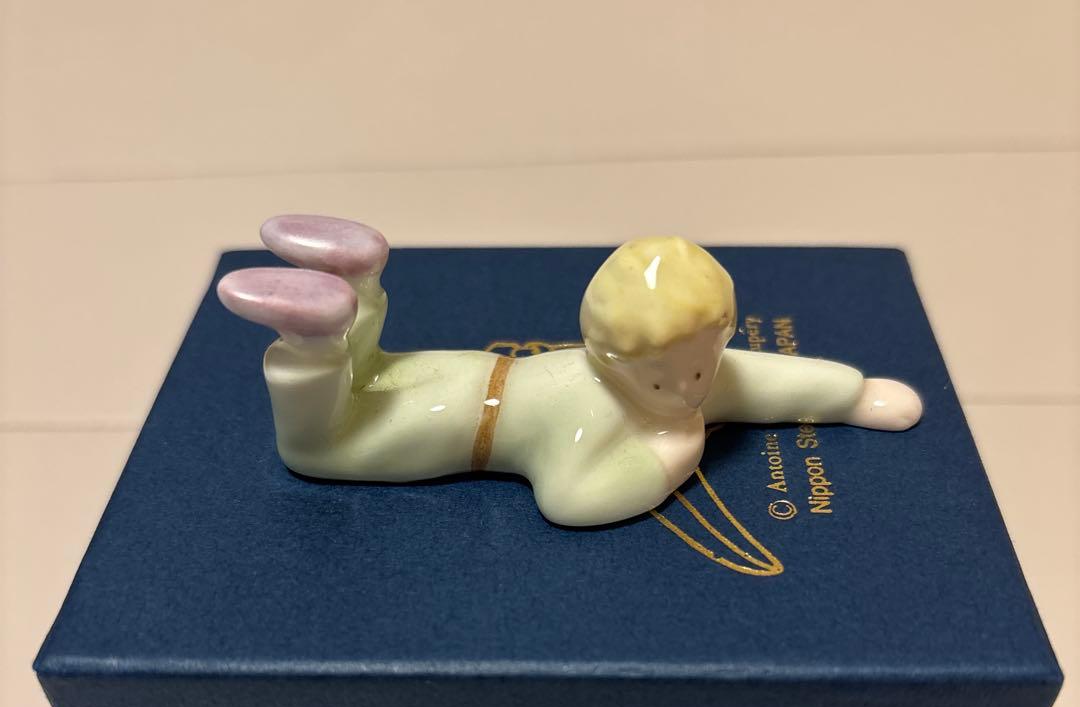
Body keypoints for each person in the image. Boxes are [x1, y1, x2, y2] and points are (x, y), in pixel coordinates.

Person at [218, 216, 922, 527]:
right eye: (662, 383)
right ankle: (311, 339)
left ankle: (357, 283)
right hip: (452, 426)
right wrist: (675, 449)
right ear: (607, 356)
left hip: (463, 376)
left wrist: (852, 395)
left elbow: (760, 379)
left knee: (369, 371)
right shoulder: (602, 409)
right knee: (318, 444)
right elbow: (570, 500)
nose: (688, 394)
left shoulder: (683, 363)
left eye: (702, 371)